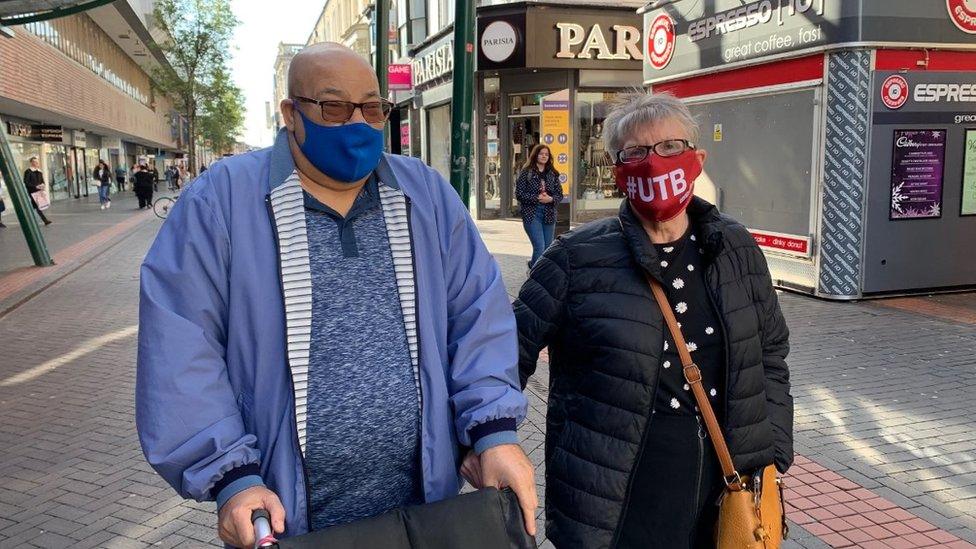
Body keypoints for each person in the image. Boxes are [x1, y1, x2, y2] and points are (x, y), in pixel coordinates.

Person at [136, 42, 535, 549]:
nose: (357, 122)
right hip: (291, 521)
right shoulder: (220, 201)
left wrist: (494, 434)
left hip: (427, 513)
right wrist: (231, 477)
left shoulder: (426, 195)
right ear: (290, 114)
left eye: (372, 107)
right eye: (333, 106)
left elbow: (477, 316)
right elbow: (181, 346)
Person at [514, 92, 793, 549]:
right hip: (618, 495)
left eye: (669, 147)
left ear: (696, 159)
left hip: (725, 488)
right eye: (636, 152)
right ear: (617, 168)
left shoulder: (736, 247)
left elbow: (770, 353)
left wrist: (773, 445)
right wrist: (492, 440)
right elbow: (508, 352)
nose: (654, 162)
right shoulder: (575, 258)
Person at [515, 144, 562, 270]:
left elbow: (559, 195)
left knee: (548, 248)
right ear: (535, 155)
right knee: (539, 247)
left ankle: (533, 265)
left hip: (549, 213)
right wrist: (537, 198)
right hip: (532, 214)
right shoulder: (527, 172)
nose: (544, 156)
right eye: (541, 154)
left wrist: (550, 199)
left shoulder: (552, 173)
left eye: (546, 154)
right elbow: (519, 194)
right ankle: (535, 276)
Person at [23, 157, 52, 225]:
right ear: (31, 162)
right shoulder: (28, 171)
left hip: (39, 191)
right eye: (34, 162)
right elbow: (26, 182)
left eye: (37, 161)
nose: (36, 163)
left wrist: (43, 185)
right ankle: (44, 220)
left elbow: (42, 181)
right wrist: (35, 186)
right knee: (36, 205)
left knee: (37, 205)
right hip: (32, 191)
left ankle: (33, 220)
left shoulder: (39, 171)